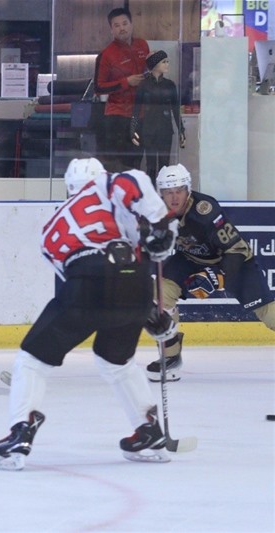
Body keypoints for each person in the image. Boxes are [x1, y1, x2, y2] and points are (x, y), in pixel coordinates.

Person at [0, 158, 178, 470]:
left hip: (86, 283)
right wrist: (160, 224)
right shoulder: (109, 185)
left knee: (33, 359)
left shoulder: (50, 228)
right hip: (137, 283)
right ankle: (149, 430)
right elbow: (135, 181)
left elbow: (80, 282)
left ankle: (20, 431)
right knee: (116, 361)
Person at [146, 164, 275, 381]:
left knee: (269, 313)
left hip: (233, 260)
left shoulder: (204, 210)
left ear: (188, 190)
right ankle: (170, 356)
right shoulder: (155, 212)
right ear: (161, 193)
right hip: (190, 259)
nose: (174, 197)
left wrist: (217, 277)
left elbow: (235, 249)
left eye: (179, 191)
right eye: (168, 192)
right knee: (160, 296)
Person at [95, 7, 149, 172]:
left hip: (140, 114)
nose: (122, 28)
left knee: (136, 162)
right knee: (117, 165)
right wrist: (126, 82)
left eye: (125, 23)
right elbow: (98, 87)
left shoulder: (142, 45)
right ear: (111, 29)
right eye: (116, 25)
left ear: (131, 24)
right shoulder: (106, 55)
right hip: (117, 117)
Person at [130, 51, 185, 181]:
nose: (167, 64)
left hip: (165, 130)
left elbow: (175, 109)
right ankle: (151, 190)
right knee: (150, 165)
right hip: (148, 130)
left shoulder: (170, 85)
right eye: (163, 62)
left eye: (167, 61)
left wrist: (181, 129)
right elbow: (136, 109)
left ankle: (163, 190)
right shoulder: (144, 85)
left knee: (164, 165)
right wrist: (132, 130)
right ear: (155, 64)